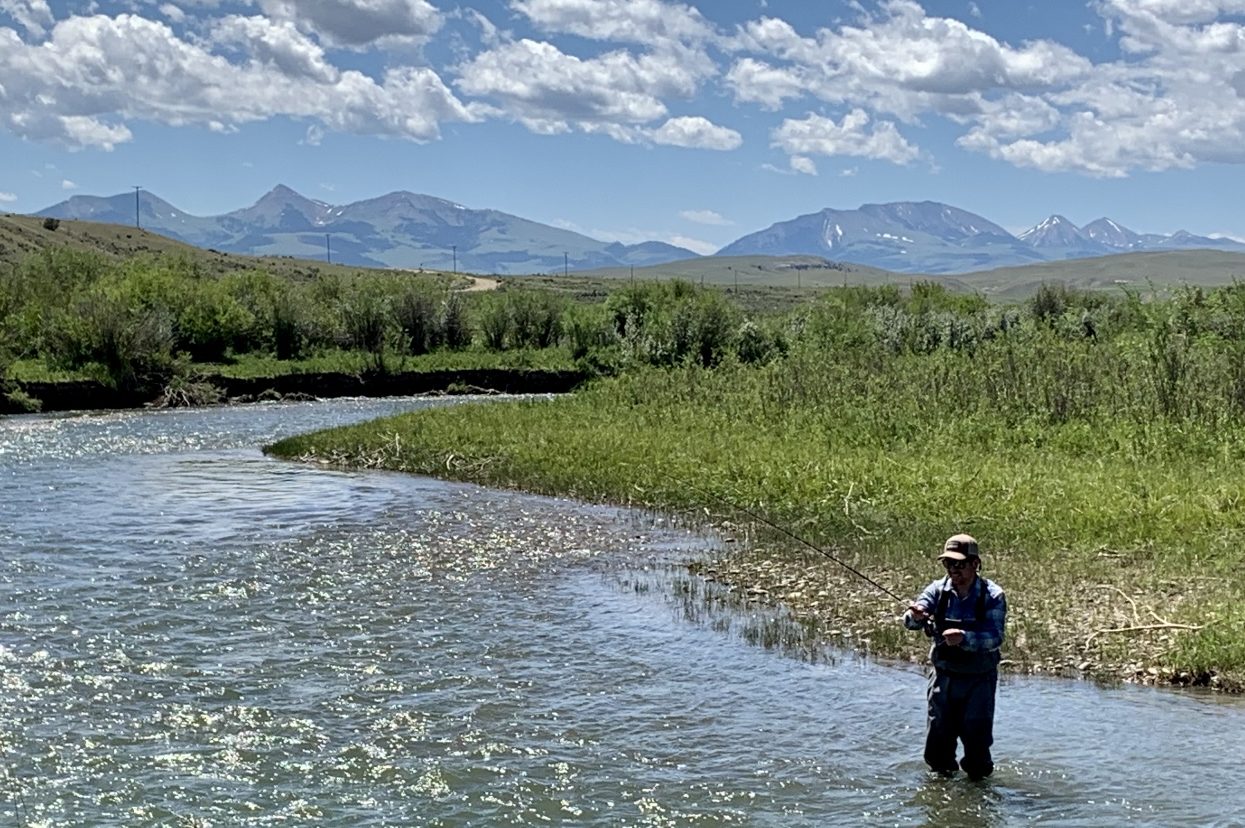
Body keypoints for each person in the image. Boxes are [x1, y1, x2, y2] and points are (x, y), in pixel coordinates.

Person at [902, 533, 1006, 780]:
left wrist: (965, 639)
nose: (953, 569)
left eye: (959, 563)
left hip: (979, 681)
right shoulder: (937, 590)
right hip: (943, 678)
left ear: (975, 564)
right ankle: (941, 797)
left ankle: (978, 793)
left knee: (977, 750)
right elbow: (909, 622)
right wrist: (915, 616)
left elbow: (995, 637)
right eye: (948, 563)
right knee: (937, 748)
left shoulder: (993, 596)